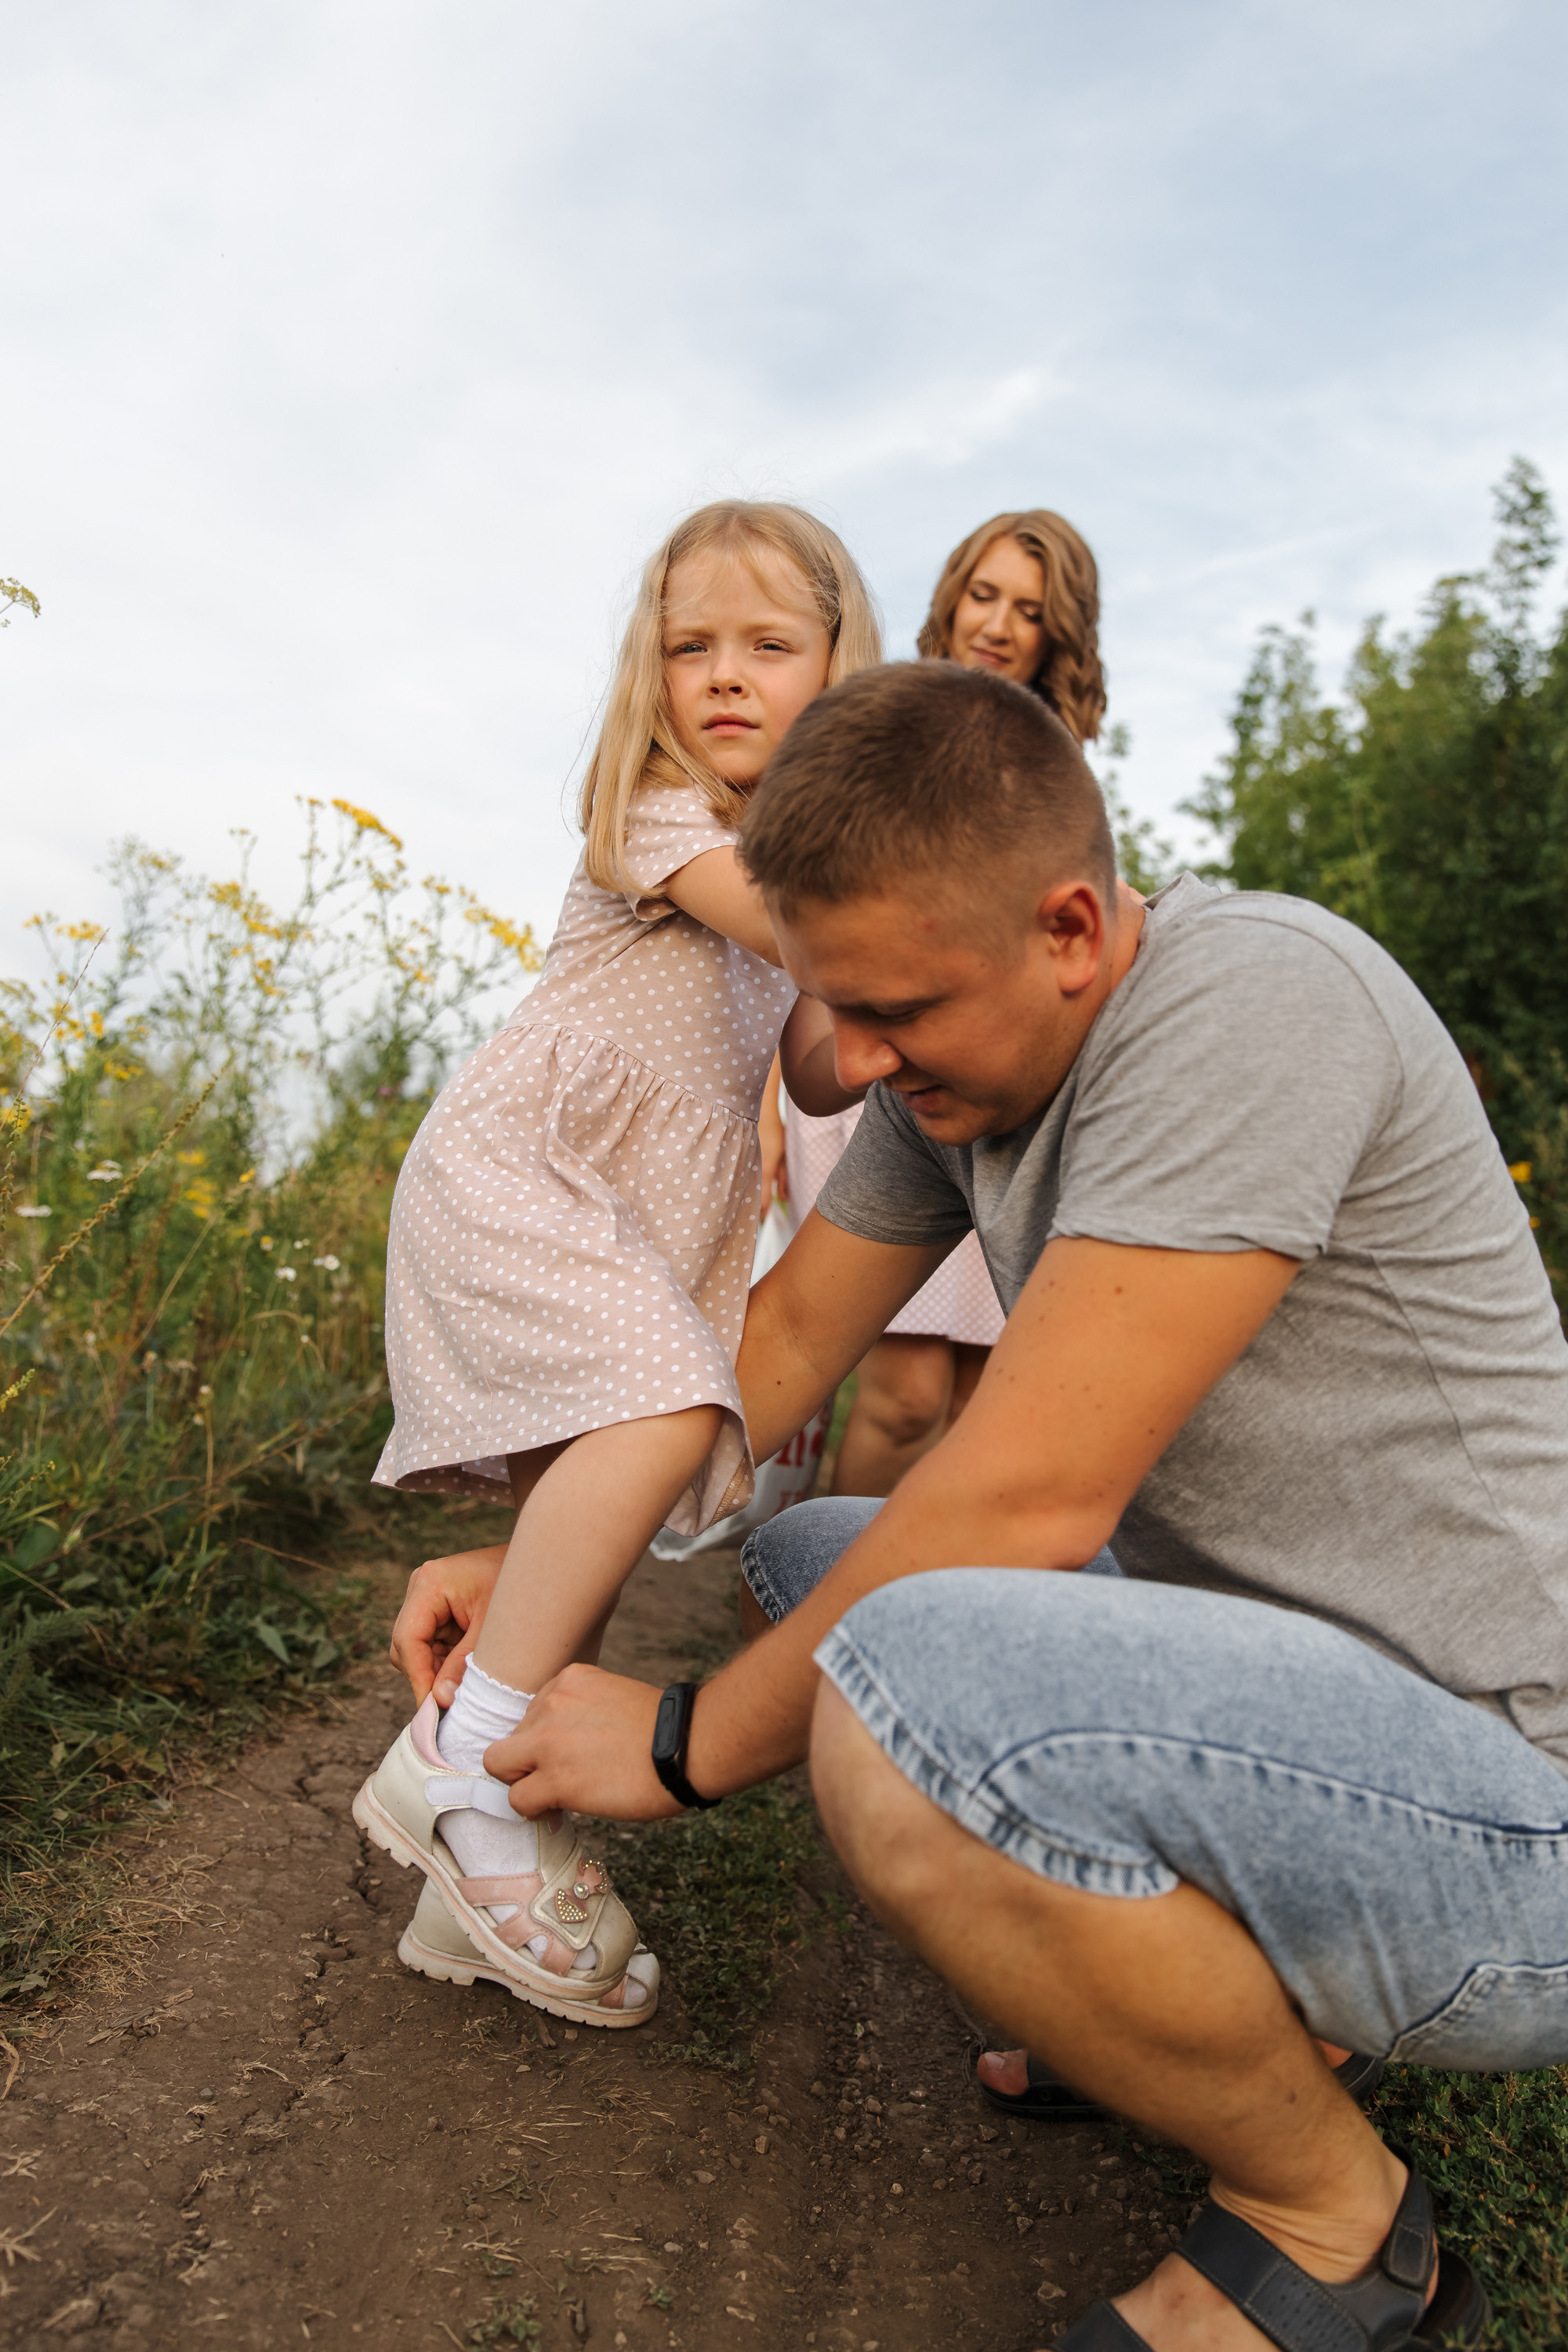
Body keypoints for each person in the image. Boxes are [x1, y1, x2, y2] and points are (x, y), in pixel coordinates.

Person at [410, 658, 1568, 2345]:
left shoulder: (1255, 1004)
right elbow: (781, 1348)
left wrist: (678, 1745)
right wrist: (537, 1560)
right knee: (820, 1552)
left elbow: (1026, 1495)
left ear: (1073, 932)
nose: (857, 1063)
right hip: (1311, 1713)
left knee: (901, 1688)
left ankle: (1329, 2224)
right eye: (834, 1006)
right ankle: (1207, 2000)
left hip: (1510, 1795)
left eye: (895, 1011)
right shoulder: (952, 1087)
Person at [351, 500, 880, 2028]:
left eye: (768, 646)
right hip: (526, 1182)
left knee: (561, 1581)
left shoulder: (790, 889)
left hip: (620, 1225)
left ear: (837, 669)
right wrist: (899, 929)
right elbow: (806, 944)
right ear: (650, 684)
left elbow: (824, 1065)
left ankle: (484, 1865)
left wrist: (881, 1026)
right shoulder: (663, 817)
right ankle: (460, 1769)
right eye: (688, 647)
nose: (722, 675)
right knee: (658, 1419)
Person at [771, 509, 1105, 1495]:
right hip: (877, 1075)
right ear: (952, 597)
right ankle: (801, 1597)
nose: (999, 624)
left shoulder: (1059, 769)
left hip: (993, 1089)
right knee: (902, 1392)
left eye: (1029, 610)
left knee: (972, 1403)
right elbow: (811, 938)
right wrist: (764, 1110)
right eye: (984, 593)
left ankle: (893, 1613)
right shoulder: (875, 717)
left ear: (1060, 634)